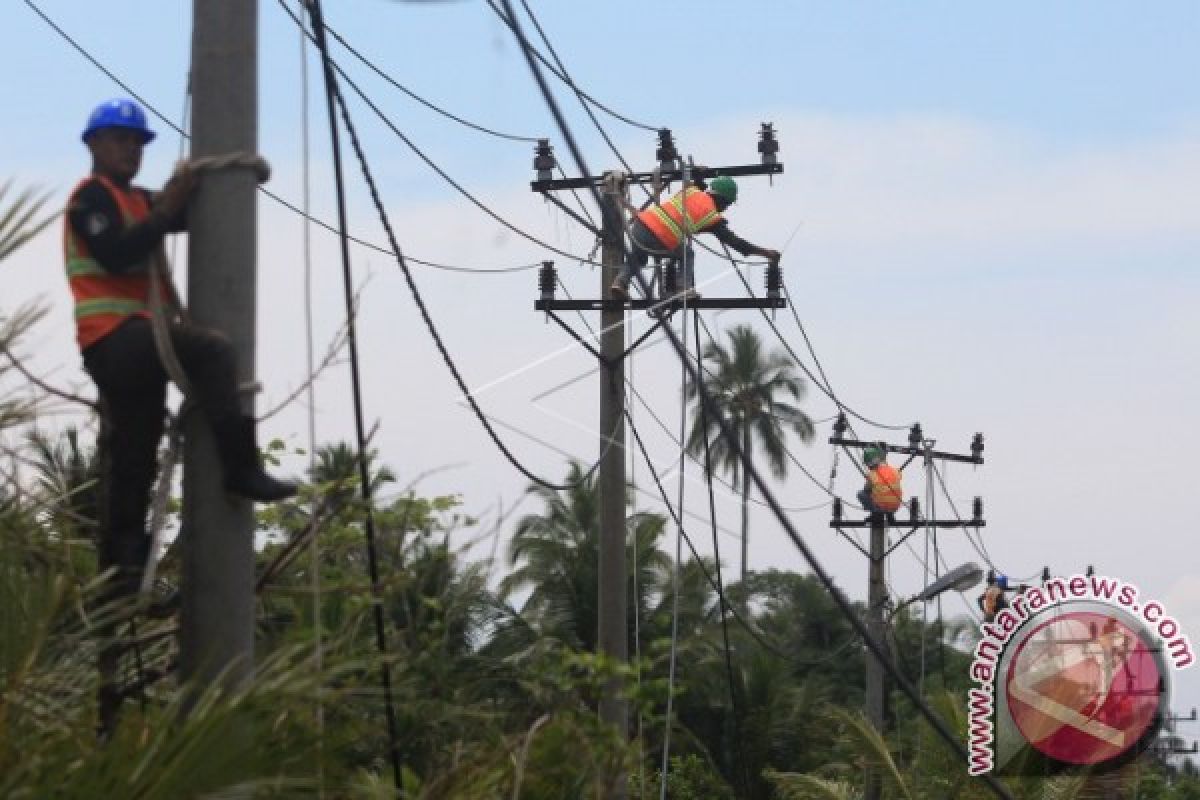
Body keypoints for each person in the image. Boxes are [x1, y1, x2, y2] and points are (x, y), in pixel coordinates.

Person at [66, 98, 297, 605]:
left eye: (137, 142)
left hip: (136, 341)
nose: (131, 150)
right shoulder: (90, 201)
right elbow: (118, 252)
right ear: (94, 144)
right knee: (212, 351)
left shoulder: (138, 201)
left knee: (136, 456)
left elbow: (188, 218)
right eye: (121, 140)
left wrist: (229, 186)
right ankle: (240, 467)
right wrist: (168, 208)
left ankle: (124, 576)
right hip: (114, 338)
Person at [609, 175, 780, 301]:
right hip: (660, 236)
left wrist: (699, 171)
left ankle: (620, 282)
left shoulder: (692, 191)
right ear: (721, 199)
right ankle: (684, 290)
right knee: (687, 253)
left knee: (639, 257)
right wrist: (766, 254)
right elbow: (737, 244)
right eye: (726, 204)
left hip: (640, 225)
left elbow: (696, 180)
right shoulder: (712, 216)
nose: (725, 209)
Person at [856, 445, 903, 517]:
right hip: (895, 507)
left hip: (881, 507)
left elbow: (866, 490)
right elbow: (897, 478)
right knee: (879, 490)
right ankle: (890, 515)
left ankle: (875, 513)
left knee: (861, 494)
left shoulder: (872, 474)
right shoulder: (895, 471)